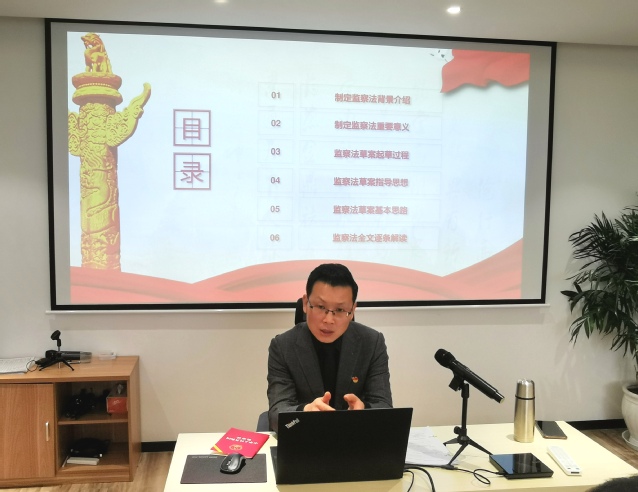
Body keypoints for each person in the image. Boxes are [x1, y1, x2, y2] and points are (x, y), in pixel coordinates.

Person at [267, 263, 392, 431]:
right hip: (306, 434)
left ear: (352, 310)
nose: (328, 320)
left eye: (340, 310)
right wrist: (305, 411)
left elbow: (384, 406)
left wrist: (364, 411)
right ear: (305, 303)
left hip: (354, 435)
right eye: (321, 307)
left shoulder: (372, 343)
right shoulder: (283, 346)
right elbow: (277, 415)